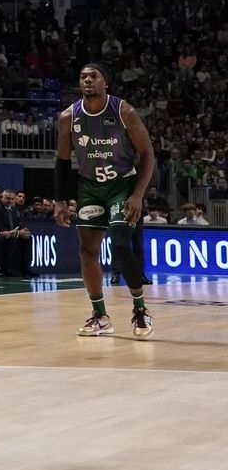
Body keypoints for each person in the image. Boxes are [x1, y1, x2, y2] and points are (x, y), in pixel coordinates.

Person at [54, 62, 155, 339]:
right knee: (87, 251)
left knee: (120, 244)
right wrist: (60, 200)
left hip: (122, 185)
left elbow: (148, 154)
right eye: (83, 77)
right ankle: (100, 316)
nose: (87, 80)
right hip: (89, 187)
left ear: (105, 83)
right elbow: (62, 161)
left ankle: (140, 310)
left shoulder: (124, 111)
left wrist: (137, 194)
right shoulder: (68, 117)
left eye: (93, 76)